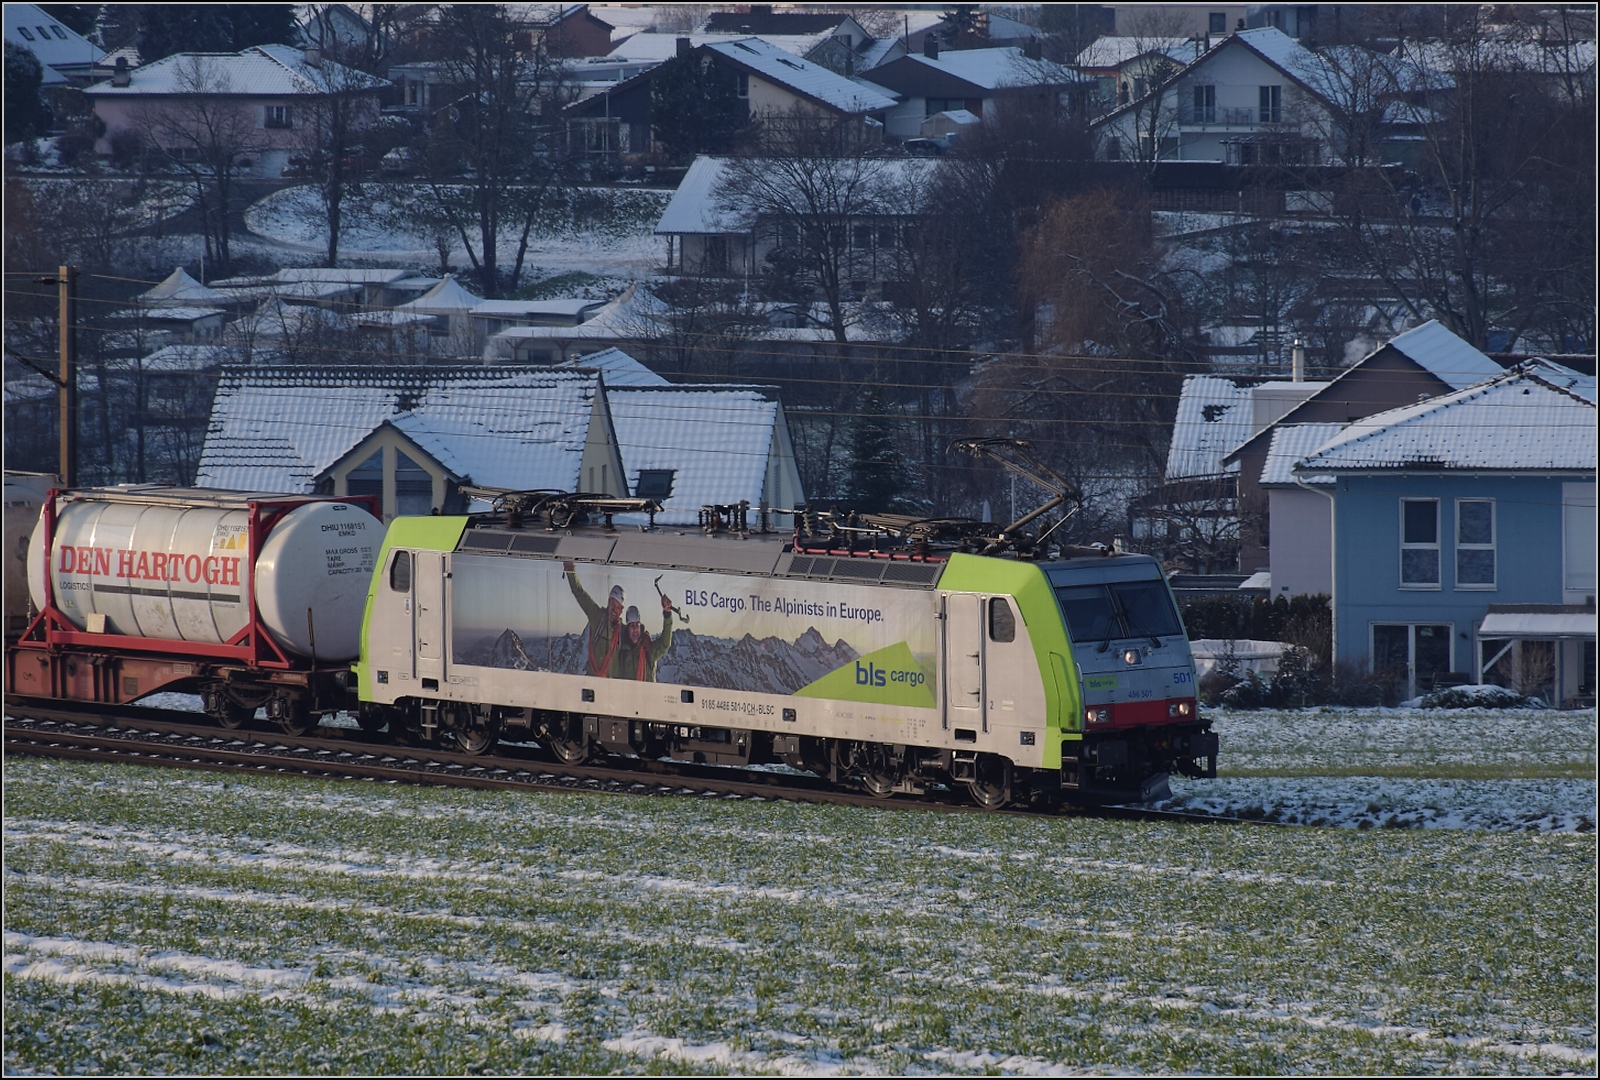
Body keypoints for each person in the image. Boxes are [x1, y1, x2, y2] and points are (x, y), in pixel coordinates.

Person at [564, 561, 624, 677]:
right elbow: (580, 594)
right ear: (608, 602)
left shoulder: (623, 631)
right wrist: (570, 570)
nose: (614, 610)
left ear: (621, 610)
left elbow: (637, 644)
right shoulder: (597, 616)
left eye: (618, 607)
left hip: (611, 686)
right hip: (593, 681)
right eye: (612, 604)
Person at [614, 595, 675, 681]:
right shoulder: (621, 649)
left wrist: (667, 614)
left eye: (637, 625)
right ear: (627, 629)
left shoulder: (648, 649)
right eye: (632, 625)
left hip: (647, 693)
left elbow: (665, 643)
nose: (635, 629)